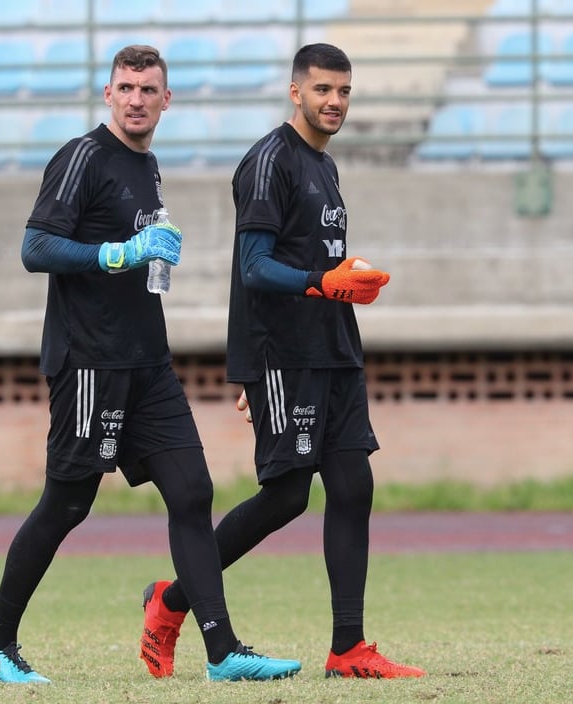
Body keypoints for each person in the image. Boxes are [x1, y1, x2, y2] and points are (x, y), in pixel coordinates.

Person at [0, 44, 301, 685]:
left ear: (166, 99)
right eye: (126, 87)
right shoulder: (83, 156)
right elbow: (35, 246)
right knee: (66, 504)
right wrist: (116, 255)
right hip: (90, 361)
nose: (137, 99)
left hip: (147, 363)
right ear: (108, 94)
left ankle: (223, 652)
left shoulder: (147, 168)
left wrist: (151, 255)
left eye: (149, 89)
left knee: (193, 492)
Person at [139, 43, 426, 681]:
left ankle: (348, 649)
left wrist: (348, 281)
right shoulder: (269, 161)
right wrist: (318, 287)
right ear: (295, 92)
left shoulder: (324, 167)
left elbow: (314, 264)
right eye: (323, 90)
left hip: (336, 351)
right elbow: (253, 268)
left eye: (344, 92)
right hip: (283, 357)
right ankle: (172, 599)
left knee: (354, 487)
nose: (334, 102)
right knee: (288, 496)